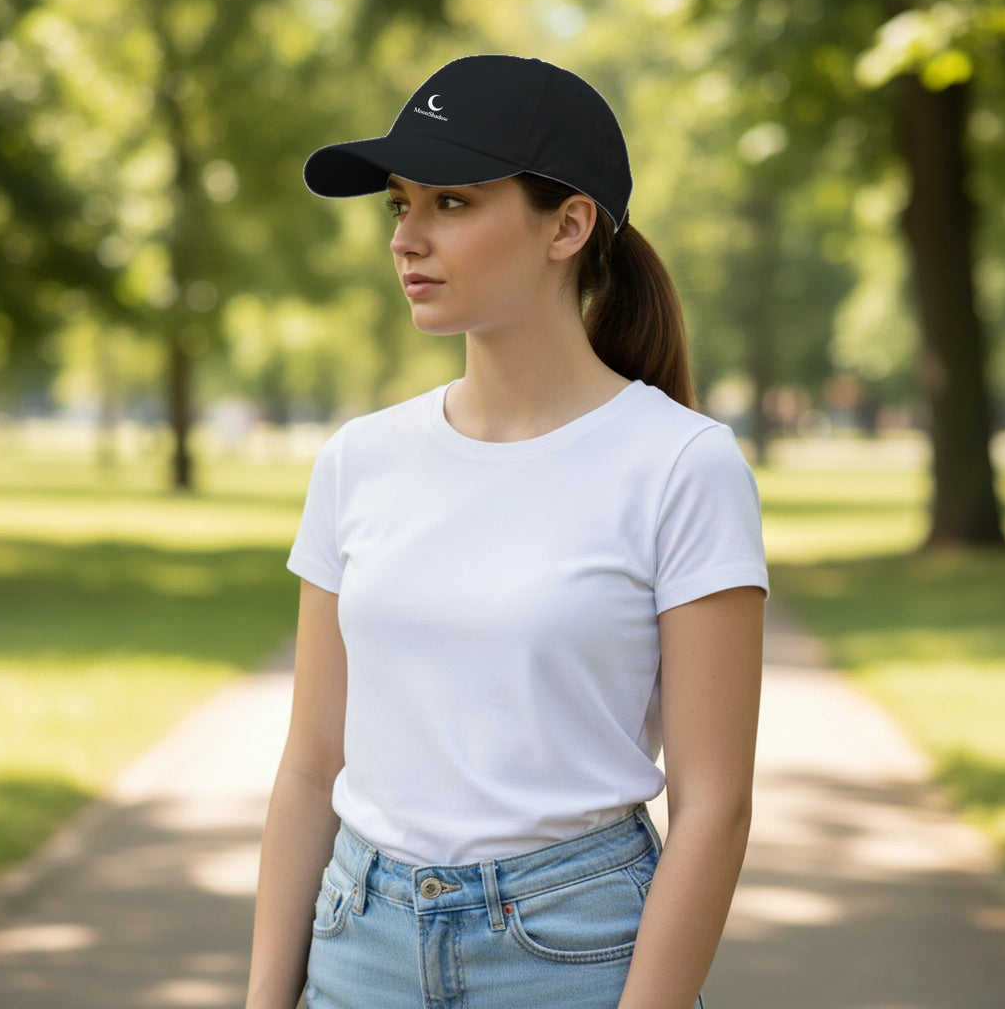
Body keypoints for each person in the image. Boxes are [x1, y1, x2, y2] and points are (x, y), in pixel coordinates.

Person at [245, 55, 768, 1009]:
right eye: (398, 205)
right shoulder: (358, 460)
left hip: (574, 950)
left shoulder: (682, 465)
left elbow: (715, 807)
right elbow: (311, 768)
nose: (406, 238)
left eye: (450, 202)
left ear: (567, 225)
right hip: (356, 940)